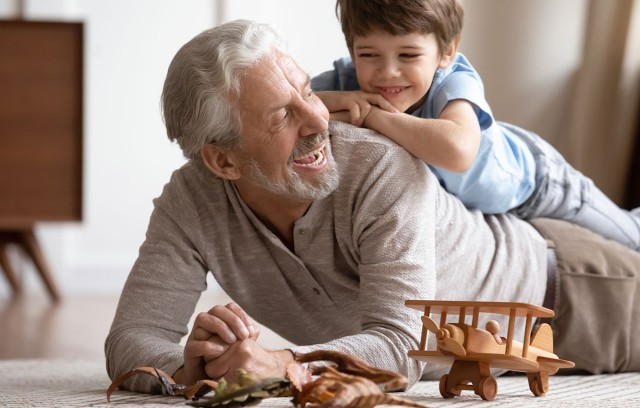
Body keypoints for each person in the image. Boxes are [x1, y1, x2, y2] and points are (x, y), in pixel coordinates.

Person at [105, 19, 640, 394]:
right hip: (488, 351)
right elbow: (131, 337)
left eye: (307, 93)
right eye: (281, 117)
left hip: (575, 289)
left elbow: (400, 346)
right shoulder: (190, 200)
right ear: (222, 162)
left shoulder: (379, 168)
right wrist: (196, 368)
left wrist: (280, 364)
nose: (319, 121)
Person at [311, 0, 640, 251]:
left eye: (408, 56)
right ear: (353, 52)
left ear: (447, 51)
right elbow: (283, 104)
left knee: (630, 239)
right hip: (491, 205)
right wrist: (334, 102)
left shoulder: (453, 81)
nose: (387, 72)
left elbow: (457, 151)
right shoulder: (346, 81)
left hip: (541, 186)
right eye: (369, 55)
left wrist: (373, 115)